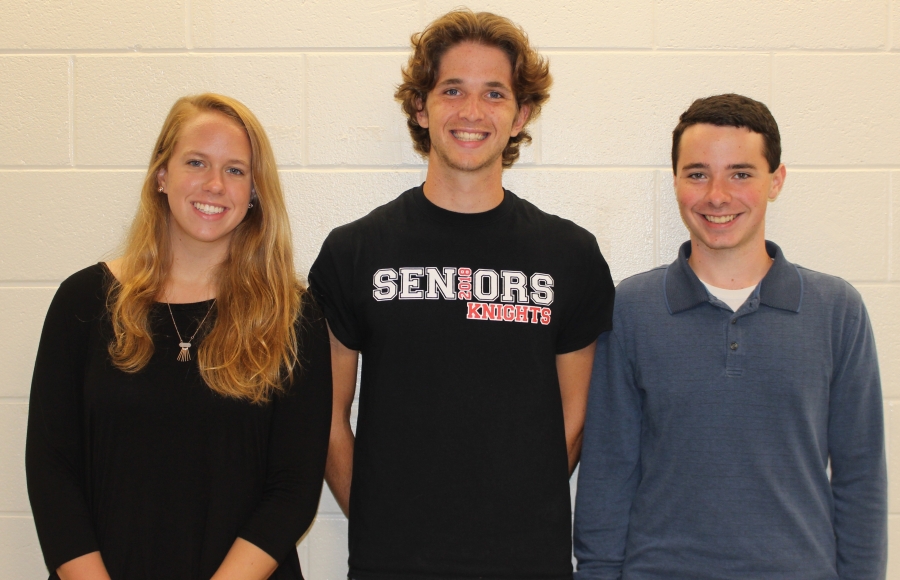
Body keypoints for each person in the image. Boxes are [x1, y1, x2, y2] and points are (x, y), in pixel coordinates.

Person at [307, 9, 615, 580]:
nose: (472, 112)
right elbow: (326, 417)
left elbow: (575, 419)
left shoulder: (569, 255)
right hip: (391, 565)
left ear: (521, 114)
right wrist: (379, 520)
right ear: (421, 107)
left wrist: (513, 513)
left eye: (494, 93)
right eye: (453, 90)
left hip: (529, 563)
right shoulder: (356, 251)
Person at [574, 93, 887, 579]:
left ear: (776, 181)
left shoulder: (835, 309)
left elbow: (861, 477)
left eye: (740, 173)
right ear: (675, 181)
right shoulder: (632, 308)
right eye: (697, 173)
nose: (716, 195)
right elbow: (607, 475)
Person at [25, 93, 332, 580]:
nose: (214, 184)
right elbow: (52, 473)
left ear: (254, 191)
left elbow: (292, 490)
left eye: (235, 170)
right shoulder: (83, 302)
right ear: (161, 175)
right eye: (196, 162)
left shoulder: (292, 316)